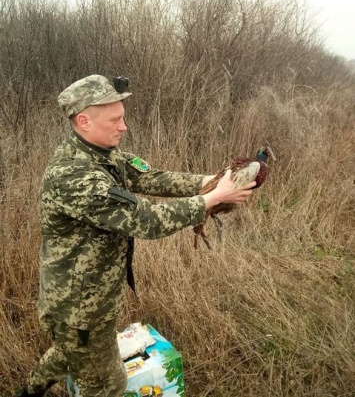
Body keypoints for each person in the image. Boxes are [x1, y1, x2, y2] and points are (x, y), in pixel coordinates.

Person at [17, 74, 256, 397]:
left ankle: (29, 391)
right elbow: (145, 220)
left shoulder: (103, 154)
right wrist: (211, 200)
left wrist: (214, 182)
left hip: (92, 299)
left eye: (123, 117)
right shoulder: (74, 175)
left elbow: (154, 178)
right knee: (106, 385)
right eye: (115, 119)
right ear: (83, 121)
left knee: (69, 351)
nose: (124, 126)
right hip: (78, 309)